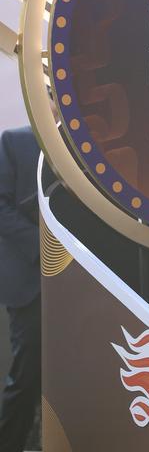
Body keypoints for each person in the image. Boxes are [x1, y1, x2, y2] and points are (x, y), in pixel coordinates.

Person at [0, 126, 42, 452]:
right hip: (28, 285)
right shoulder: (14, 141)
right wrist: (46, 246)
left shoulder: (92, 144)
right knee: (24, 382)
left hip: (84, 285)